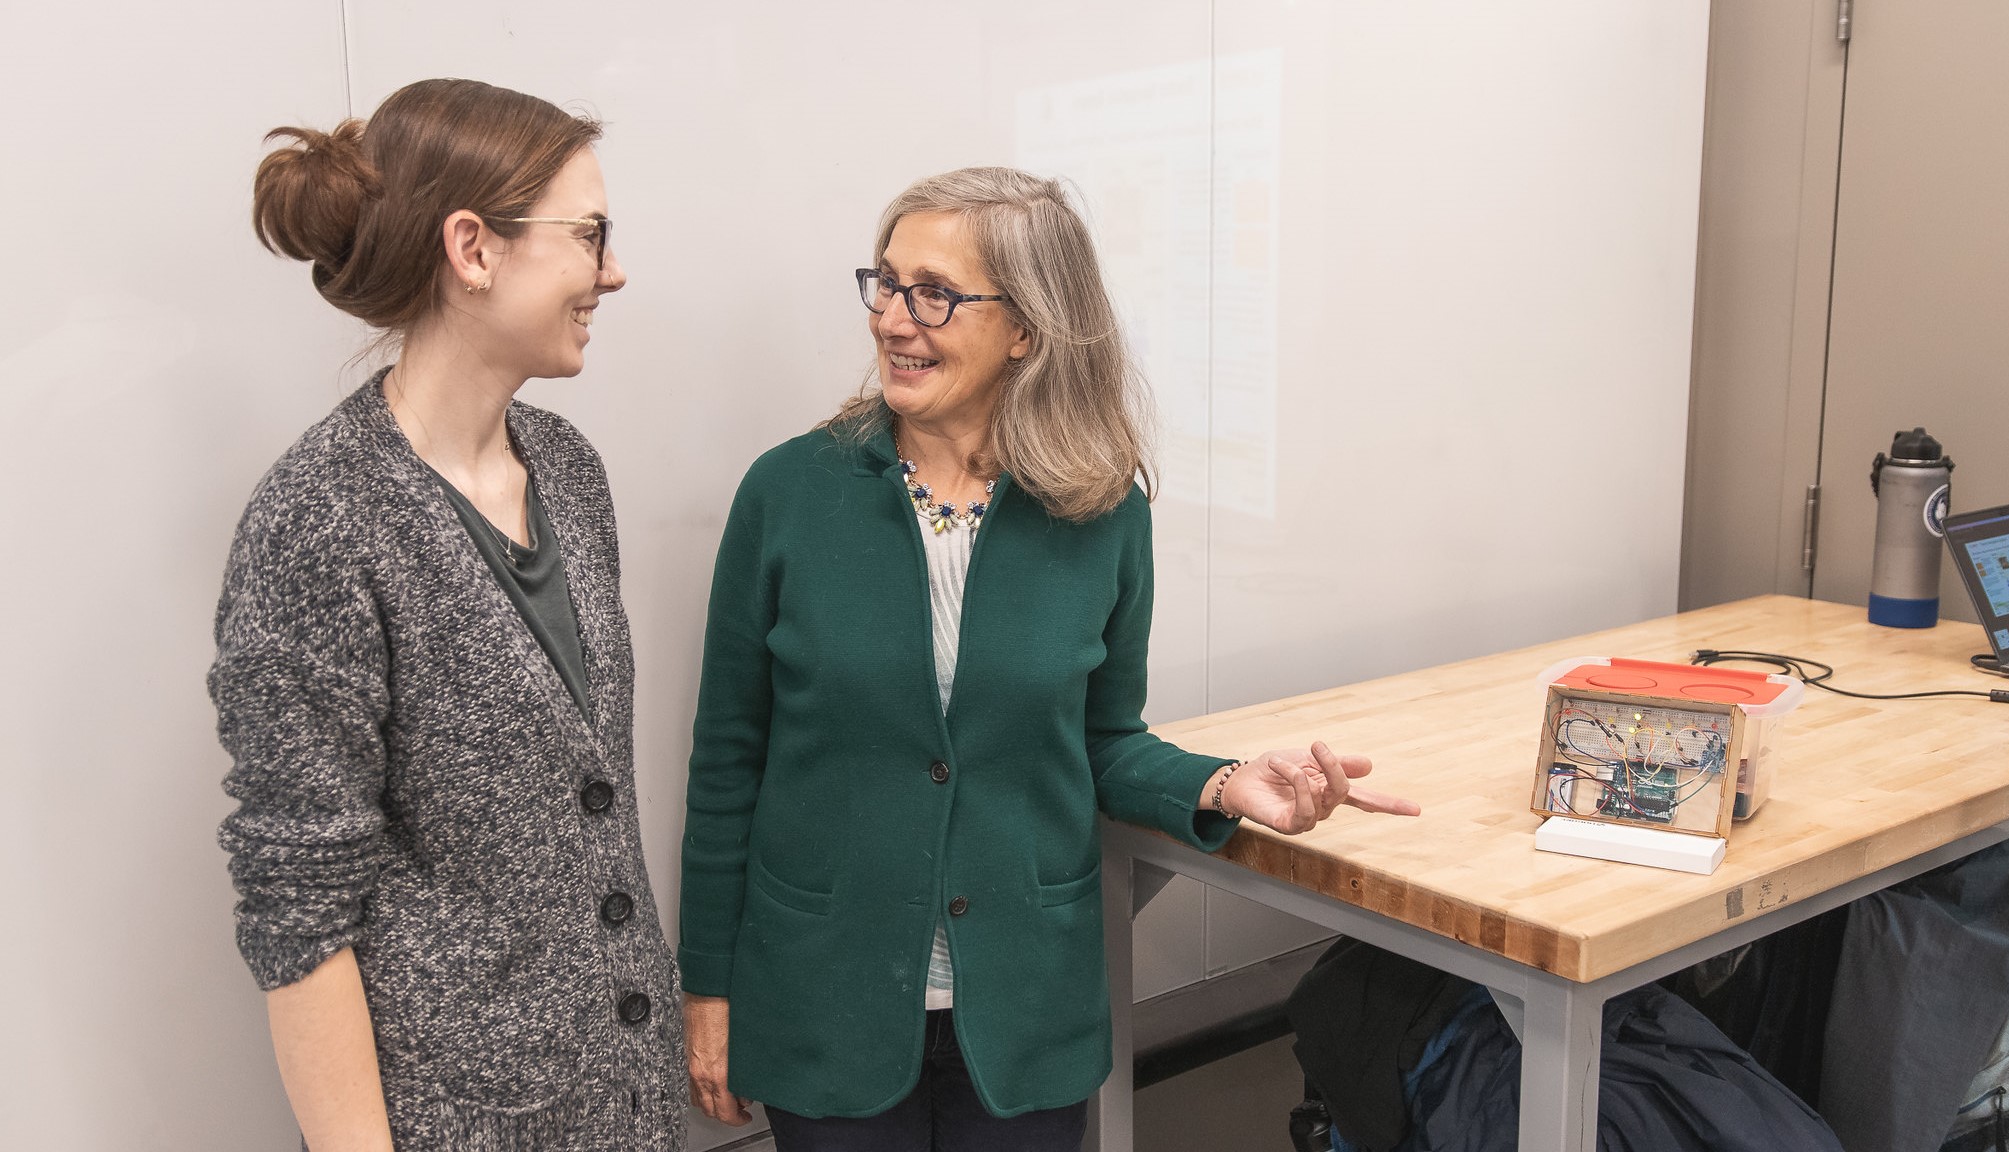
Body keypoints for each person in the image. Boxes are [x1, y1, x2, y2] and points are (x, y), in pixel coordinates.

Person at [679, 166, 1421, 1151]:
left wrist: (1227, 785)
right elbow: (728, 757)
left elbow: (1103, 740)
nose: (894, 320)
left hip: (1026, 1003)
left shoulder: (1099, 508)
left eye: (933, 293)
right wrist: (708, 989)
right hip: (824, 999)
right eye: (885, 283)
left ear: (1025, 327)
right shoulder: (786, 493)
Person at [211, 78, 682, 1150]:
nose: (612, 270)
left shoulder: (567, 467)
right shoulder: (318, 521)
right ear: (473, 248)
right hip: (458, 1125)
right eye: (589, 234)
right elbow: (299, 907)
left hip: (625, 1103)